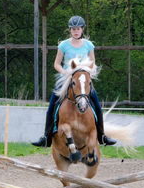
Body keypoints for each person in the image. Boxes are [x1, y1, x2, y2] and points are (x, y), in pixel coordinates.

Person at [32, 16, 116, 147]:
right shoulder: (63, 45)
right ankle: (46, 137)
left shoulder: (89, 45)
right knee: (51, 106)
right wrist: (65, 72)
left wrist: (85, 70)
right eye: (73, 29)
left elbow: (92, 62)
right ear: (70, 30)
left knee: (97, 106)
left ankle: (102, 136)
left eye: (78, 29)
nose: (76, 31)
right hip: (66, 79)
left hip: (82, 79)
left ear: (82, 29)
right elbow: (56, 64)